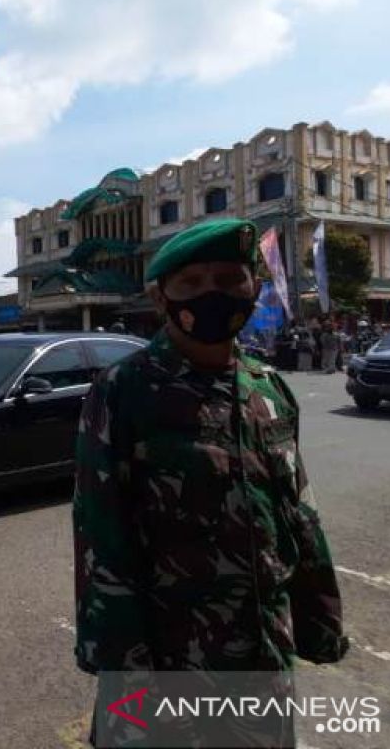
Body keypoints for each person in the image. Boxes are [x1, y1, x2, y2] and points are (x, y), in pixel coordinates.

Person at [73, 218, 347, 747]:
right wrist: (123, 669)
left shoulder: (268, 389)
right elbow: (101, 535)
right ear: (160, 299)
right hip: (166, 662)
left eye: (228, 279)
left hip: (262, 657)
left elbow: (298, 515)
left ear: (253, 289)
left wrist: (320, 620)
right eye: (193, 283)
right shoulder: (124, 392)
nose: (213, 294)